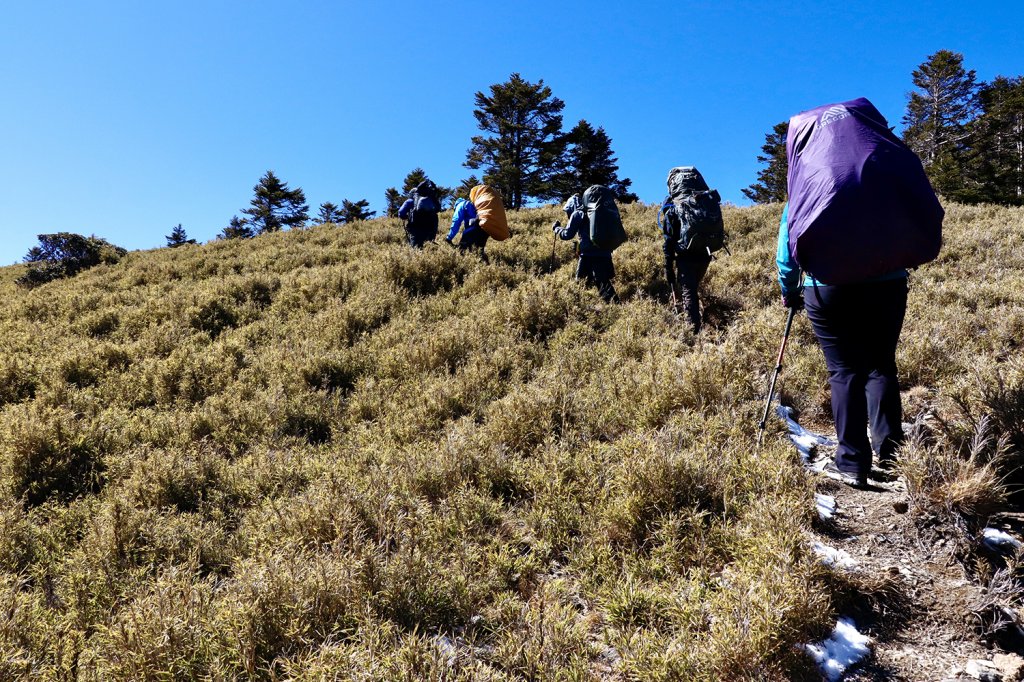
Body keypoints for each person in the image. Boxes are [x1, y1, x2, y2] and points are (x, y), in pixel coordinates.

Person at [777, 202, 908, 487]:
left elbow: (787, 248)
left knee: (844, 370)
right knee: (881, 365)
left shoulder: (808, 181)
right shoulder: (880, 174)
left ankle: (852, 463)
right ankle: (892, 455)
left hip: (826, 286)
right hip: (888, 283)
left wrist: (789, 290)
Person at [658, 166, 724, 333]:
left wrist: (668, 269)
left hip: (685, 255)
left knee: (689, 291)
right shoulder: (704, 200)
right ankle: (702, 318)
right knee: (692, 288)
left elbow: (668, 241)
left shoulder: (672, 205)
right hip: (705, 252)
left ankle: (693, 331)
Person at [553, 194, 618, 303]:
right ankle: (615, 307)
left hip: (588, 256)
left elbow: (567, 235)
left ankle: (578, 309)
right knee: (603, 283)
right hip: (605, 254)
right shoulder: (598, 212)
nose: (568, 215)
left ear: (571, 206)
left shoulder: (577, 213)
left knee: (580, 284)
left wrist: (557, 229)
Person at [447, 194, 489, 263]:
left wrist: (449, 238)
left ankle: (464, 269)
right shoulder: (471, 204)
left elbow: (456, 221)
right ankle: (486, 268)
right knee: (479, 251)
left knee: (462, 250)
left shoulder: (460, 205)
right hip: (484, 229)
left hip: (473, 228)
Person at [397, 180, 440, 248]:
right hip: (430, 228)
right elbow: (437, 209)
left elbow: (401, 213)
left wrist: (405, 217)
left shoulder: (410, 201)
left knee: (416, 248)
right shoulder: (431, 199)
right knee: (428, 247)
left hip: (416, 228)